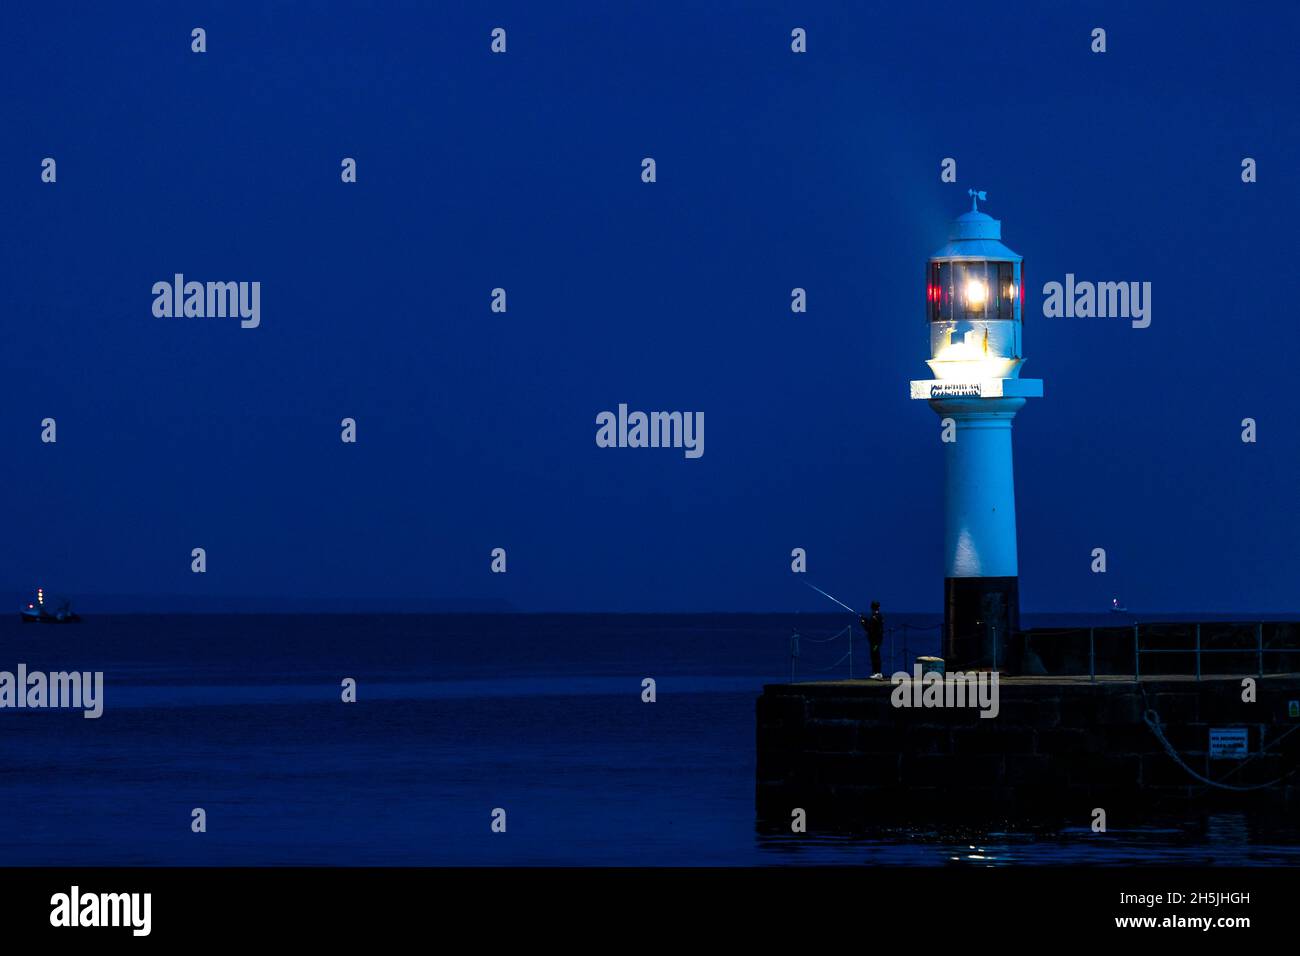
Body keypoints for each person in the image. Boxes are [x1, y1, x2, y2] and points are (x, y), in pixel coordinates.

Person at [859, 601, 884, 679]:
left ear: (871, 607)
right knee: (875, 655)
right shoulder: (879, 616)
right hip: (878, 639)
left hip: (875, 640)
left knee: (875, 655)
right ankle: (876, 673)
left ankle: (878, 673)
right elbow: (873, 625)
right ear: (878, 607)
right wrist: (865, 620)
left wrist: (863, 623)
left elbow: (869, 628)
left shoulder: (874, 617)